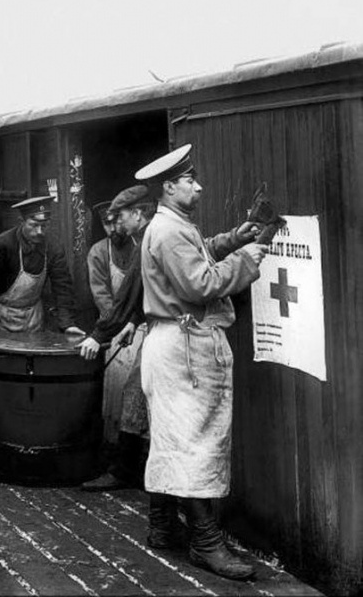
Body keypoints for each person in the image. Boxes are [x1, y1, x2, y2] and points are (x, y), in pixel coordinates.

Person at [135, 144, 266, 580]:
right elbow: (199, 282)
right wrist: (246, 261)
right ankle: (205, 543)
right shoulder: (170, 230)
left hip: (170, 344)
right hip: (184, 347)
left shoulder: (171, 225)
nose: (199, 186)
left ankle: (161, 528)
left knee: (171, 439)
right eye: (190, 181)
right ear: (169, 187)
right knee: (195, 443)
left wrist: (234, 238)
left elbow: (199, 252)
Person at [78, 186, 155, 492]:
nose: (116, 226)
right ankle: (129, 468)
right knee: (133, 395)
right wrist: (132, 323)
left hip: (166, 333)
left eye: (120, 218)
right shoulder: (103, 251)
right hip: (135, 327)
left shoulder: (149, 242)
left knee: (142, 396)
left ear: (137, 214)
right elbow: (122, 299)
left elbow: (130, 293)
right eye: (110, 221)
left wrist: (99, 334)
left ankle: (135, 472)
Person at [0, 196, 82, 338]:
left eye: (44, 225)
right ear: (21, 222)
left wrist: (67, 324)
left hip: (33, 319)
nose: (39, 231)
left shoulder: (53, 247)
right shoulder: (3, 245)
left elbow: (63, 287)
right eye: (34, 225)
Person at [86, 199, 133, 318]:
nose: (112, 229)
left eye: (116, 222)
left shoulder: (139, 244)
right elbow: (101, 295)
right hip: (111, 320)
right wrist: (116, 322)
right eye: (107, 223)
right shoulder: (98, 252)